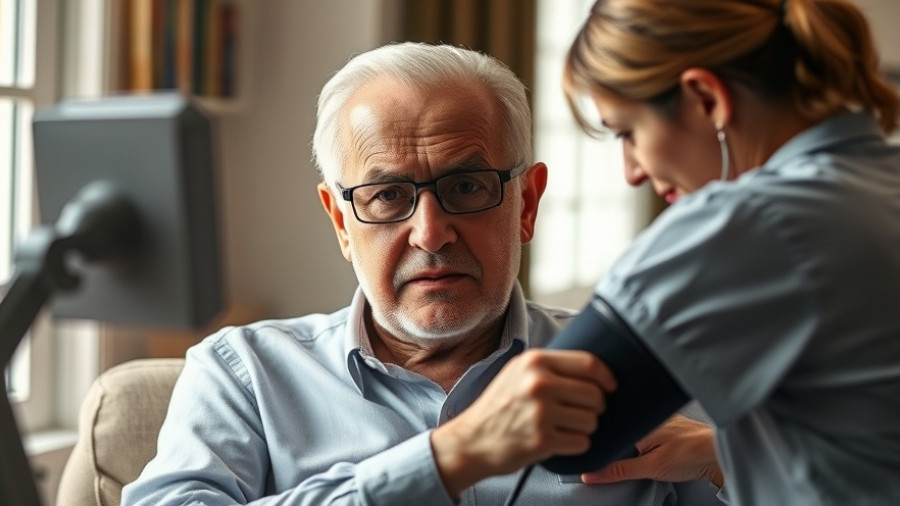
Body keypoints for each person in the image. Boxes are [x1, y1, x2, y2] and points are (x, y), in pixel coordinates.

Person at [121, 42, 724, 505]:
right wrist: (449, 458)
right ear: (340, 222)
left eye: (466, 186)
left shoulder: (647, 367)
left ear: (527, 203)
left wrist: (728, 460)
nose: (431, 233)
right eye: (387, 196)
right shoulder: (244, 374)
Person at [560, 0, 900, 504]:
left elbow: (565, 437)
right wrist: (722, 451)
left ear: (706, 98)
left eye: (629, 132)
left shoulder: (754, 221)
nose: (631, 171)